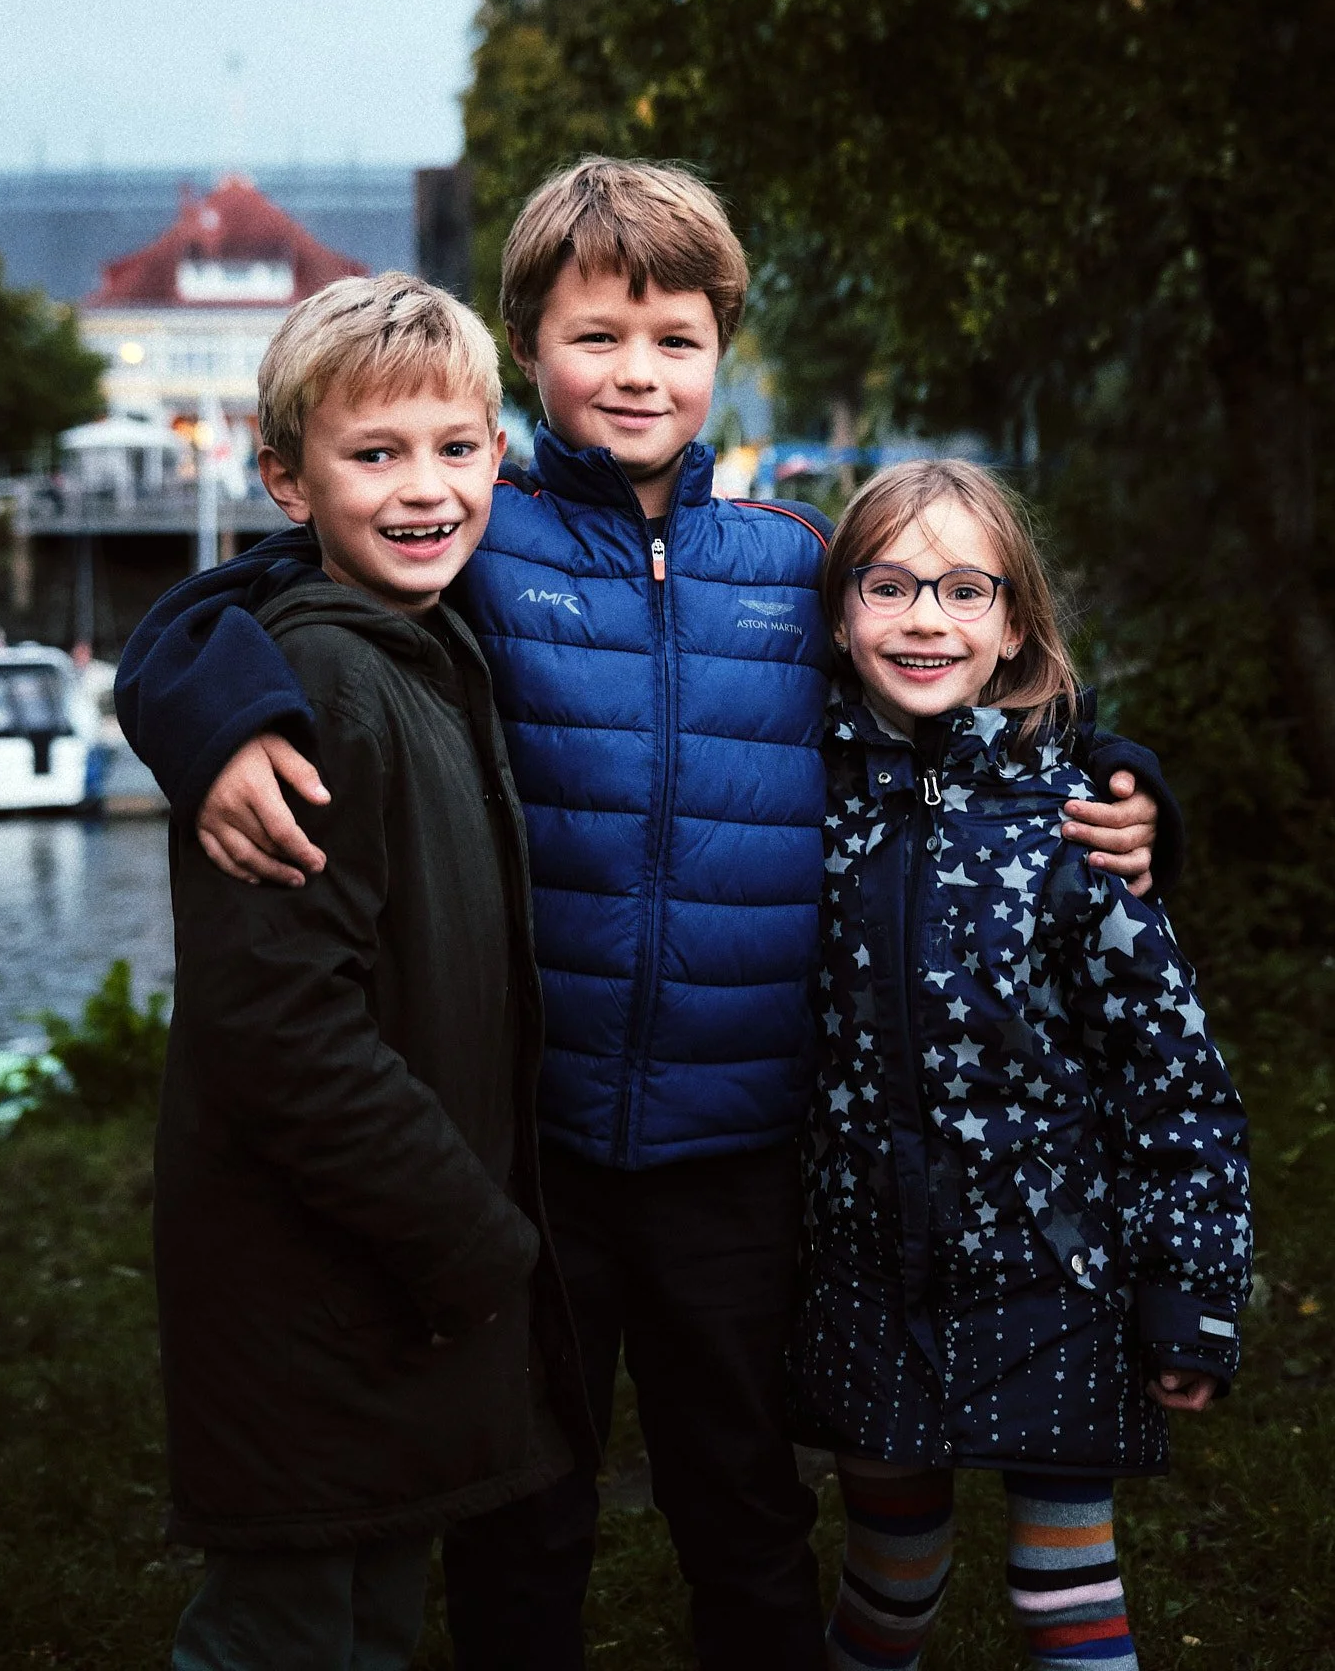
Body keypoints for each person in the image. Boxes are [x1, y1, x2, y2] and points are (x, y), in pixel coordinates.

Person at [120, 160, 1173, 1671]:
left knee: (740, 1499)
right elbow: (219, 610)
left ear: (722, 351)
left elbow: (970, 689)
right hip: (527, 1145)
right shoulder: (479, 529)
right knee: (522, 1512)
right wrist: (211, 721)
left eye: (675, 339)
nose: (635, 372)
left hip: (737, 1150)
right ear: (529, 349)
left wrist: (1131, 782)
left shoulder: (793, 568)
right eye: (595, 336)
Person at [153, 273, 590, 1671]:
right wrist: (476, 1241)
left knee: (371, 1624)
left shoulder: (423, 651)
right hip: (326, 1290)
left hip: (390, 1295)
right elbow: (280, 1030)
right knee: (283, 1636)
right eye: (375, 454)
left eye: (456, 450)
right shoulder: (319, 693)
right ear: (288, 479)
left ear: (497, 459)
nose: (426, 490)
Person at [789, 458, 1250, 1671]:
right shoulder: (805, 802)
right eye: (888, 585)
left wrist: (1189, 1297)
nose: (925, 618)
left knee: (1065, 1592)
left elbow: (1174, 1078)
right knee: (889, 1579)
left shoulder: (1079, 825)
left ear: (1013, 628)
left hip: (1055, 1278)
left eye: (962, 589)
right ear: (840, 612)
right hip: (870, 1276)